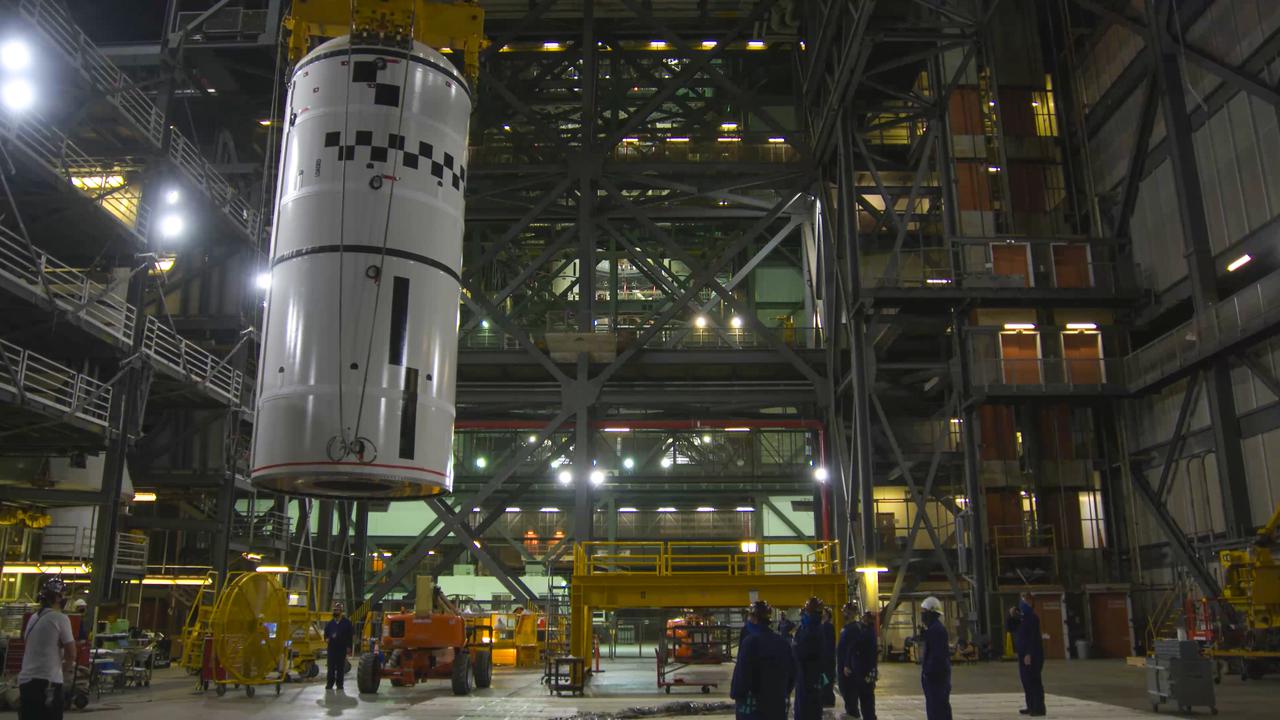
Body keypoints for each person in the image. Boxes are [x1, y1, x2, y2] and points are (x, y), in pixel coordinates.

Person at [18, 577, 76, 720]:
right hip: (47, 683)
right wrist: (64, 670)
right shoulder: (60, 618)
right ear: (57, 597)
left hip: (26, 682)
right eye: (63, 595)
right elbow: (71, 653)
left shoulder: (33, 618)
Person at [731, 600, 795, 720]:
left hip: (754, 707)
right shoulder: (782, 642)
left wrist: (737, 694)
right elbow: (792, 673)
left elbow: (742, 675)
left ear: (755, 619)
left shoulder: (750, 643)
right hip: (777, 705)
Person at [837, 605, 877, 720]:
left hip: (858, 670)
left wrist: (848, 665)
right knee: (853, 697)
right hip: (852, 669)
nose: (844, 614)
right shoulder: (850, 628)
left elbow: (855, 649)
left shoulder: (856, 629)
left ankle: (856, 715)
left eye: (846, 611)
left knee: (863, 699)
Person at [792, 597, 826, 720]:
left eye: (806, 611)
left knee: (809, 708)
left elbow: (804, 651)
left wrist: (795, 648)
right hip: (804, 673)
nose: (804, 613)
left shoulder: (814, 629)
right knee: (803, 707)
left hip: (809, 674)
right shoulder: (806, 627)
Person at [919, 596, 952, 720]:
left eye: (924, 612)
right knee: (937, 708)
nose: (922, 615)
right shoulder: (934, 629)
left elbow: (938, 655)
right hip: (936, 677)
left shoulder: (937, 630)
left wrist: (928, 672)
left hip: (936, 678)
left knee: (937, 710)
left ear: (931, 613)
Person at [1014, 595, 1045, 716]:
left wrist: (1029, 653)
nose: (1022, 602)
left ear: (1030, 602)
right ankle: (1031, 705)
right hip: (1022, 654)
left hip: (1032, 654)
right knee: (1026, 681)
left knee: (1034, 681)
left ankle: (1038, 708)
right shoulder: (1021, 618)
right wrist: (1011, 616)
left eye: (1024, 600)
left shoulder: (1032, 617)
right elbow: (1010, 628)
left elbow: (1033, 638)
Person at [324, 601, 355, 690]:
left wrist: (349, 647)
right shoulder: (330, 623)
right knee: (330, 667)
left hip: (341, 648)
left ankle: (339, 684)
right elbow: (326, 634)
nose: (335, 612)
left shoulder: (347, 623)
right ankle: (330, 684)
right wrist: (326, 639)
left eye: (337, 610)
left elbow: (350, 635)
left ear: (341, 611)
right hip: (331, 648)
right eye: (334, 610)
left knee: (340, 668)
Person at [820, 607, 837, 707]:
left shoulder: (827, 626)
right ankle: (826, 699)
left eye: (823, 612)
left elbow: (828, 644)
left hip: (827, 659)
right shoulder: (825, 626)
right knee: (825, 680)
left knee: (827, 680)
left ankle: (828, 700)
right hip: (827, 658)